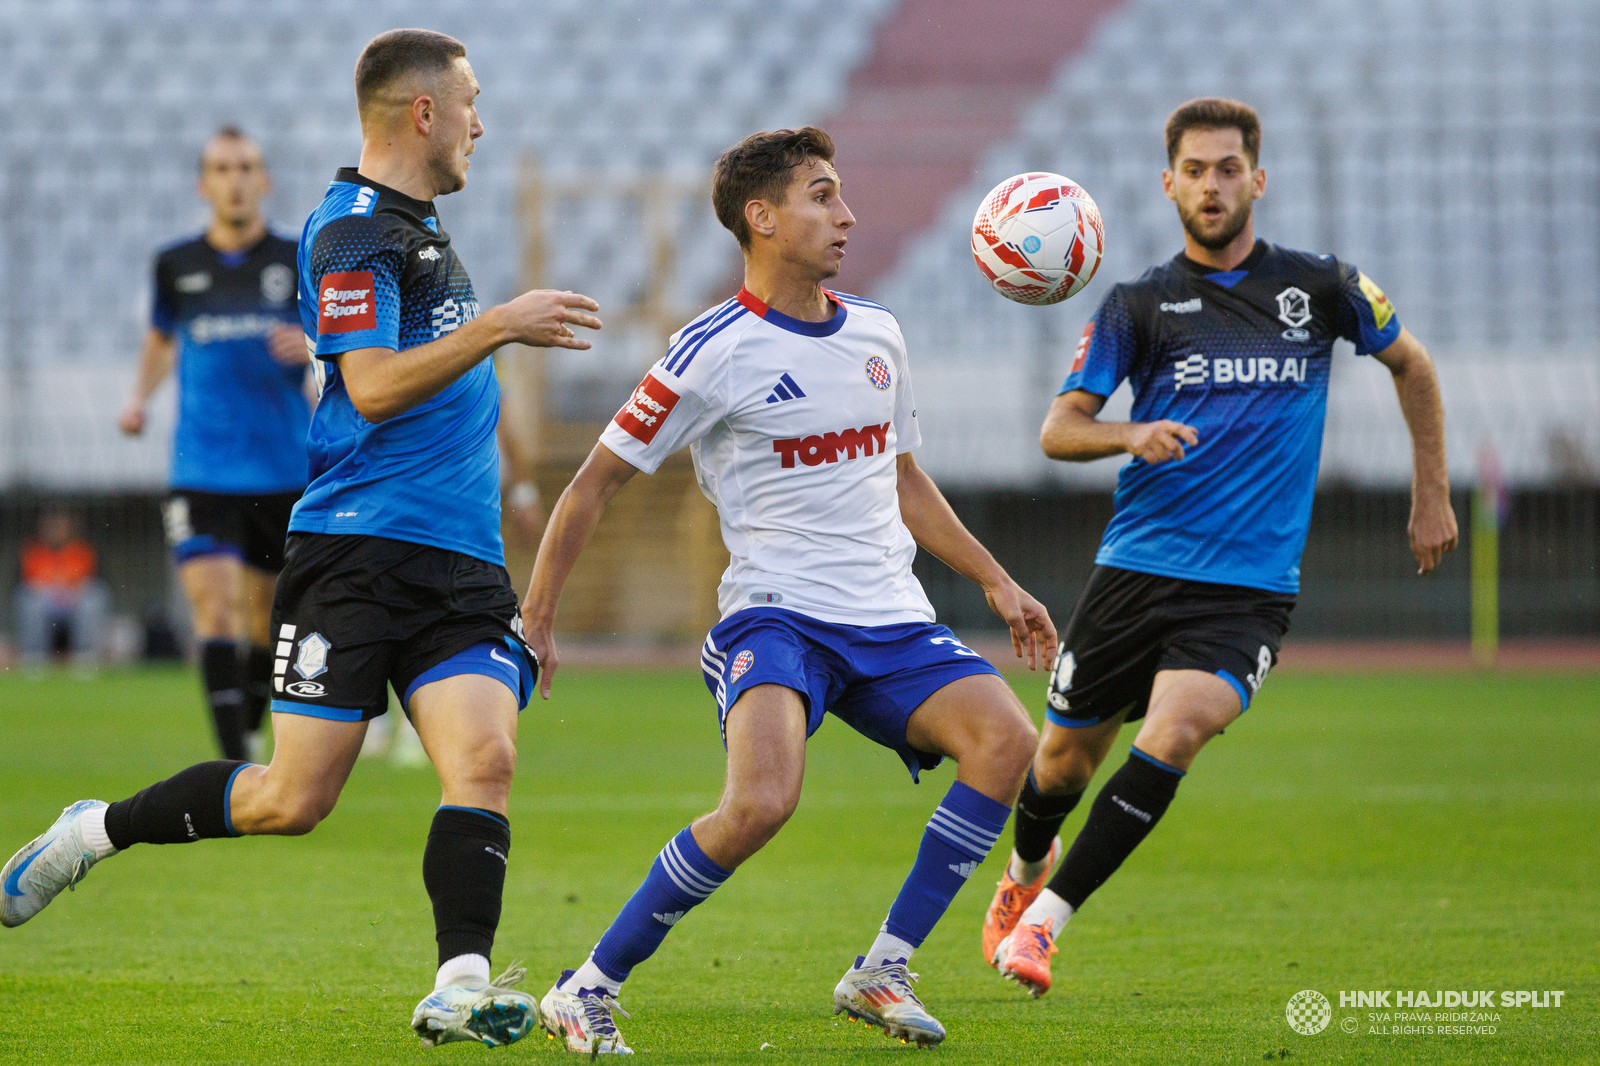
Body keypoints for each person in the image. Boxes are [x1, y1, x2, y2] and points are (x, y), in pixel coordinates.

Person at [3, 29, 603, 1051]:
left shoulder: (417, 227)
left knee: (486, 759)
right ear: (423, 112)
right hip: (357, 555)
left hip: (461, 561)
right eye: (470, 102)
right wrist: (499, 323)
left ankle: (459, 984)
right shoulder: (353, 232)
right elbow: (370, 386)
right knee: (291, 798)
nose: (481, 123)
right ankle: (93, 829)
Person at [521, 126, 1055, 1054]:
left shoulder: (878, 332)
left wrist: (999, 582)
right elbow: (591, 485)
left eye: (839, 193)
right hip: (776, 619)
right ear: (761, 218)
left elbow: (904, 477)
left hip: (889, 617)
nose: (845, 214)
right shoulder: (711, 350)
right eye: (821, 195)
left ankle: (882, 970)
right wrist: (537, 619)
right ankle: (586, 986)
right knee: (761, 804)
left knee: (1008, 742)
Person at [982, 98, 1458, 997]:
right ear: (1168, 184)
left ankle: (1043, 927)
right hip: (1136, 569)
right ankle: (1024, 872)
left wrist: (1430, 491)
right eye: (1195, 171)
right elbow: (1058, 429)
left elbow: (1414, 364)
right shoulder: (1138, 306)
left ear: (1258, 180)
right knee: (1061, 763)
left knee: (1177, 732)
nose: (1212, 185)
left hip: (1249, 587)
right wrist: (1130, 434)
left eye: (1228, 169)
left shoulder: (1322, 287)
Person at [119, 126, 308, 761]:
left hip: (283, 469)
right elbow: (160, 339)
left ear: (265, 181)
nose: (235, 180)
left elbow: (339, 340)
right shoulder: (176, 264)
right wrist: (138, 398)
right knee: (216, 609)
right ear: (204, 185)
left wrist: (310, 346)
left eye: (246, 167)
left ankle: (245, 731)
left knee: (266, 625)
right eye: (222, 169)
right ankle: (234, 766)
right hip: (201, 469)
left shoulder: (296, 258)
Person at [14, 511, 108, 671]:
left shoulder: (81, 549)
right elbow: (22, 582)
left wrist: (76, 589)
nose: (55, 531)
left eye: (59, 526)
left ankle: (85, 655)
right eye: (51, 527)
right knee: (30, 600)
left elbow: (95, 580)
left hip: (74, 601)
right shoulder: (33, 550)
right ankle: (34, 656)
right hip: (45, 602)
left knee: (93, 597)